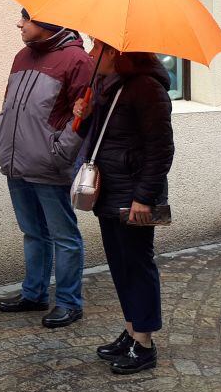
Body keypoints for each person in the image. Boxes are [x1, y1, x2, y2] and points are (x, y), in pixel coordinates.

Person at [67, 44, 175, 375]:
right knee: (120, 265)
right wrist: (83, 117)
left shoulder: (146, 88)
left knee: (138, 266)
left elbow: (161, 150)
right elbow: (99, 139)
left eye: (98, 45)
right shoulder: (108, 86)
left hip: (134, 196)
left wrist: (144, 196)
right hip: (110, 192)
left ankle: (143, 344)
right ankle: (130, 332)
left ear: (117, 53)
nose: (91, 50)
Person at [0, 8, 94, 328]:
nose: (20, 23)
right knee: (33, 232)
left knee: (64, 236)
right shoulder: (22, 56)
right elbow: (9, 101)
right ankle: (34, 293)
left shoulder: (77, 60)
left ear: (48, 23)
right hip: (16, 161)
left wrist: (60, 152)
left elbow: (86, 115)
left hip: (50, 165)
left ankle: (68, 302)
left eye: (27, 18)